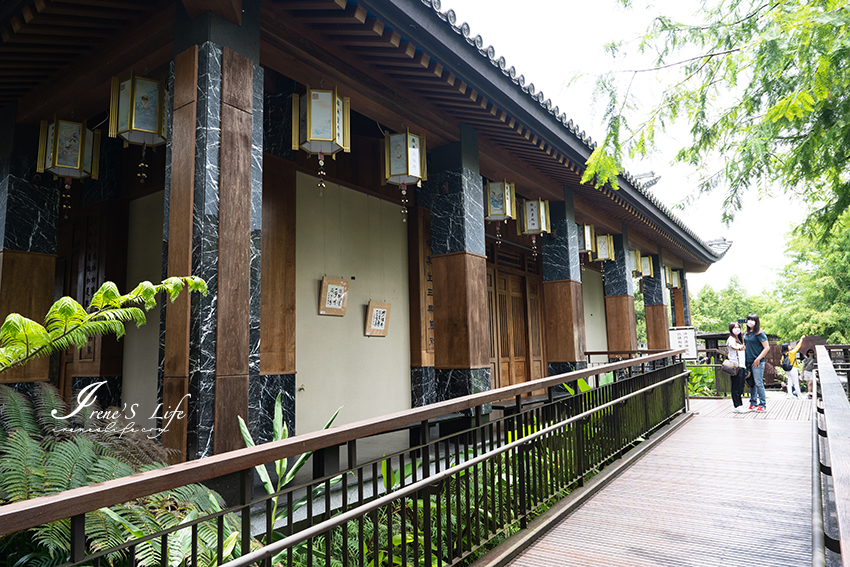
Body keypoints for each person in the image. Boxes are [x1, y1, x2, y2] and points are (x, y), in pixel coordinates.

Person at [744, 313, 770, 412]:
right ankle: (753, 402)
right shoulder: (745, 333)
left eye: (752, 320)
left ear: (756, 321)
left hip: (758, 362)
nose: (750, 321)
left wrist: (758, 358)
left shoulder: (760, 333)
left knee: (758, 383)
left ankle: (762, 404)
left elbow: (767, 348)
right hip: (748, 362)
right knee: (751, 383)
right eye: (749, 319)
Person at [726, 321, 748, 412]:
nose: (737, 329)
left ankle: (740, 404)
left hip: (741, 365)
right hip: (735, 365)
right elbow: (733, 346)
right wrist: (739, 348)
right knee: (736, 385)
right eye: (734, 327)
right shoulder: (731, 339)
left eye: (738, 327)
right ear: (731, 329)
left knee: (740, 385)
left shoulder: (739, 339)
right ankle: (736, 405)